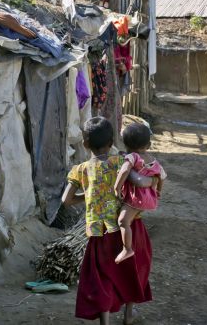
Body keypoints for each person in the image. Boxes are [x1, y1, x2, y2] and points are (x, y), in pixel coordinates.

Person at [62, 116, 155, 325]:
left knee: (101, 276)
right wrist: (155, 180)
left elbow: (66, 200)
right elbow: (139, 182)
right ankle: (129, 314)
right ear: (112, 143)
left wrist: (87, 196)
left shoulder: (80, 170)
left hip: (100, 232)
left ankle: (105, 320)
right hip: (130, 228)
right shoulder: (122, 162)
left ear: (85, 144)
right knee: (133, 269)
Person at [113, 123, 166, 264]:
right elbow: (162, 176)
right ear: (148, 145)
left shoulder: (133, 157)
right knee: (131, 218)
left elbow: (124, 171)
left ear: (125, 144)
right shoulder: (153, 160)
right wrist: (159, 191)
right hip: (149, 198)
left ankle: (127, 249)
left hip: (137, 199)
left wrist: (117, 187)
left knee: (122, 221)